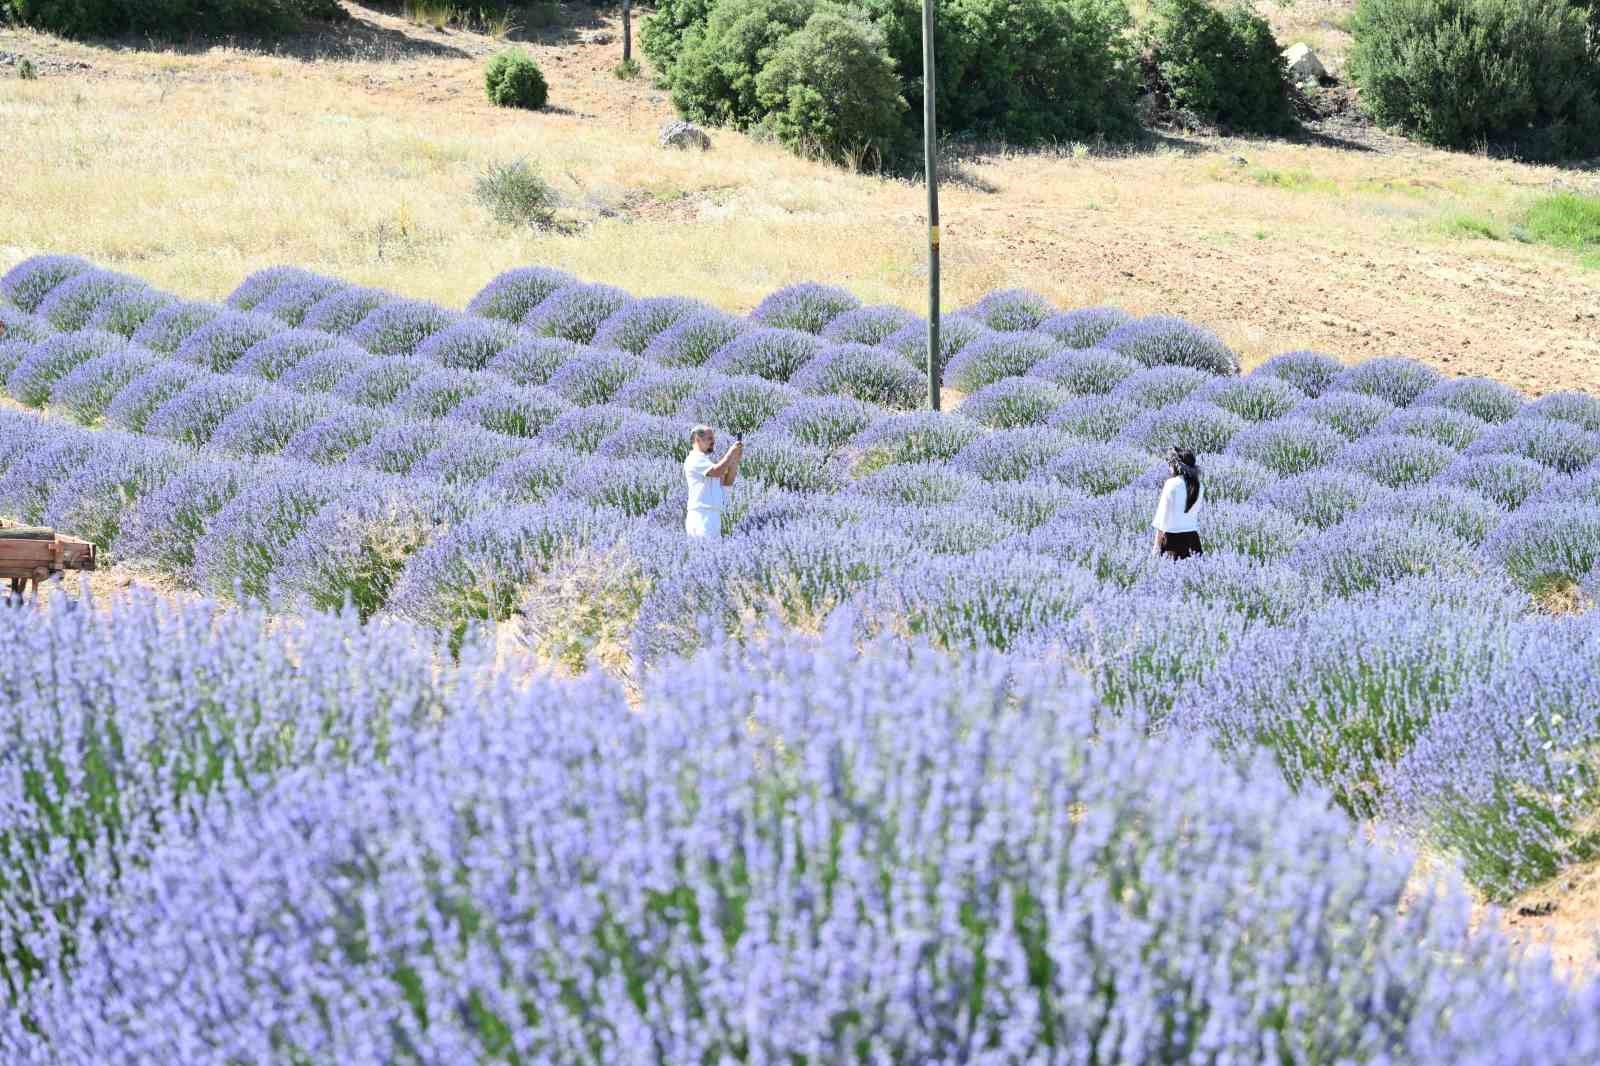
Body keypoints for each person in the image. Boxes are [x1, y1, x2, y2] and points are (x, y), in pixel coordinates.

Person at [683, 424, 742, 538]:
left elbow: (727, 482)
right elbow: (717, 471)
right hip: (701, 517)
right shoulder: (694, 459)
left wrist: (735, 460)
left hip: (713, 517)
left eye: (713, 438)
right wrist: (730, 452)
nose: (713, 441)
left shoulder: (706, 462)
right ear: (697, 440)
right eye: (710, 438)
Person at [1152, 445, 1203, 559]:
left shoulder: (1171, 484)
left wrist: (1156, 547)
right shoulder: (1199, 485)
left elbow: (1162, 519)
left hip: (1173, 543)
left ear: (1175, 465)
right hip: (1193, 542)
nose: (1168, 468)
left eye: (1169, 464)